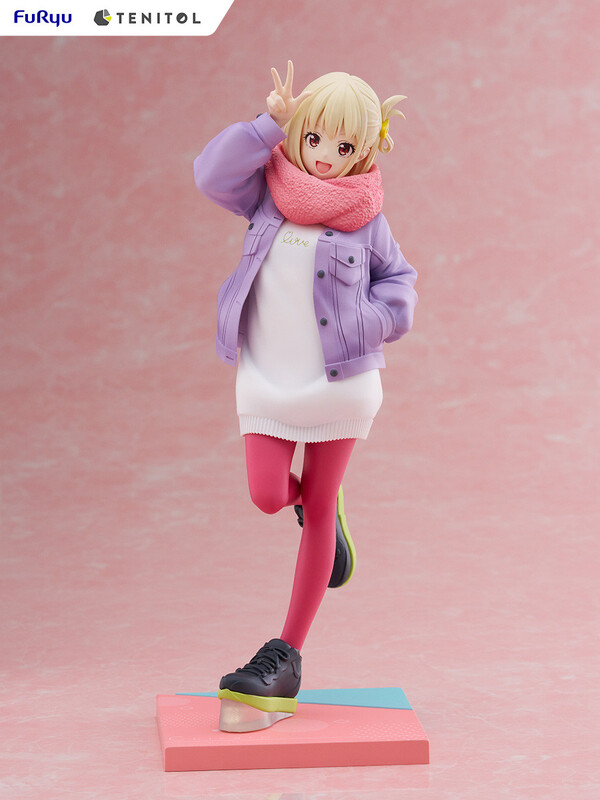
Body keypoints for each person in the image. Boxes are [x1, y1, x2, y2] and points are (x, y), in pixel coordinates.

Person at [194, 61, 418, 732]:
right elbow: (209, 175)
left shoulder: (367, 219)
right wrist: (268, 124)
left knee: (318, 505)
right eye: (313, 137)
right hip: (267, 376)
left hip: (340, 385)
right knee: (268, 493)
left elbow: (401, 285)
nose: (323, 156)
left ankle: (286, 654)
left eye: (343, 145)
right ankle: (318, 506)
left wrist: (369, 321)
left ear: (366, 149)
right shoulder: (266, 193)